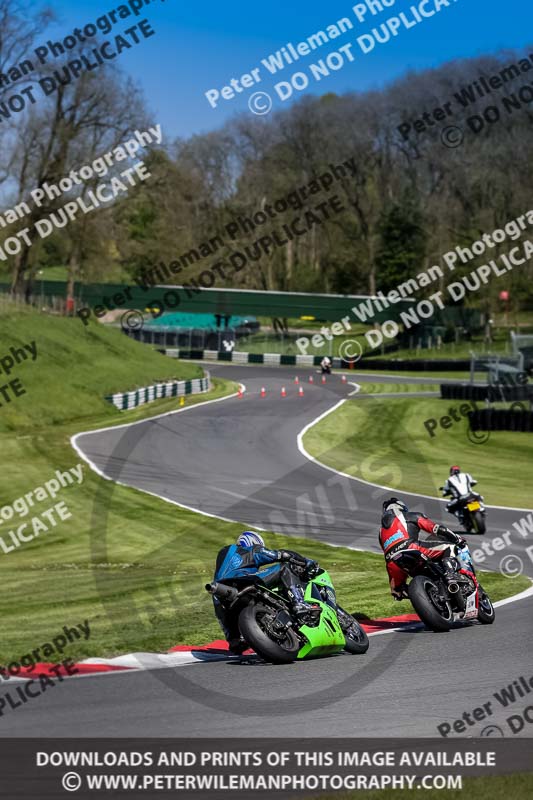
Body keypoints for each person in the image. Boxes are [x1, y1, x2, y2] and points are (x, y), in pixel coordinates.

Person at [213, 532, 321, 654]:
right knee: (284, 567)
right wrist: (304, 561)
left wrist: (233, 638)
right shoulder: (250, 550)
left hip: (221, 595)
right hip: (243, 580)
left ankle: (236, 638)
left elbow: (220, 614)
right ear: (253, 542)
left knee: (234, 639)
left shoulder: (223, 556)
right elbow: (280, 555)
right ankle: (299, 602)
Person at [378, 497, 465, 600]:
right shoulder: (410, 516)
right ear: (402, 507)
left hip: (393, 563)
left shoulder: (380, 533)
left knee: (398, 591)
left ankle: (421, 595)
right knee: (449, 547)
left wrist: (394, 586)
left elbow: (387, 554)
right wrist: (456, 538)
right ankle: (451, 575)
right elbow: (436, 528)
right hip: (413, 548)